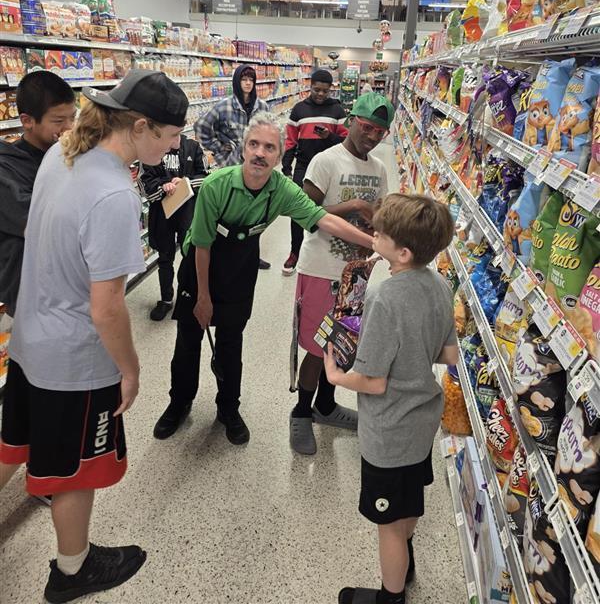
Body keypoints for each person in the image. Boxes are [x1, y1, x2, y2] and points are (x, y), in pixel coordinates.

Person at [0, 69, 188, 603]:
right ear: (142, 126)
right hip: (75, 361)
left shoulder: (63, 155)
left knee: (18, 442)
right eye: (171, 135)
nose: (176, 145)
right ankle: (72, 569)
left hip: (32, 342)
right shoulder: (113, 196)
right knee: (75, 470)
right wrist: (130, 369)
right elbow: (106, 308)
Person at [153, 111, 375, 446]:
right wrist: (202, 296)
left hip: (240, 270)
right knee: (188, 341)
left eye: (269, 147)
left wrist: (374, 243)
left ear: (278, 156)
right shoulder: (217, 186)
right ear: (243, 150)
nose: (260, 152)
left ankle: (228, 408)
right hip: (201, 266)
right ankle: (178, 403)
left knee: (231, 342)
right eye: (254, 144)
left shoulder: (281, 190)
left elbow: (320, 218)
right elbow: (200, 244)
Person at [324, 193, 457, 604]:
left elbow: (373, 381)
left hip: (389, 429)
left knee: (387, 522)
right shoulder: (439, 284)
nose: (373, 234)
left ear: (401, 251)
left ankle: (391, 595)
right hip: (420, 423)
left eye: (380, 233)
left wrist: (335, 375)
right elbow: (448, 354)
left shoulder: (386, 298)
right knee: (410, 498)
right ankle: (406, 558)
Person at [289, 92, 393, 456]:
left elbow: (379, 215)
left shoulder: (379, 169)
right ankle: (301, 411)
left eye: (380, 131)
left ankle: (326, 405)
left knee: (341, 344)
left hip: (357, 274)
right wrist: (352, 205)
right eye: (366, 127)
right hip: (321, 269)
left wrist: (375, 239)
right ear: (351, 121)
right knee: (318, 347)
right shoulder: (325, 161)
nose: (372, 136)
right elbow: (304, 213)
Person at [0, 71, 76, 318]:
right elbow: (35, 222)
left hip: (71, 286)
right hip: (31, 293)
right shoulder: (8, 167)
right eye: (58, 121)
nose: (68, 128)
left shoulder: (72, 155)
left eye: (72, 118)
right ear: (27, 120)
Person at [195, 62, 271, 269]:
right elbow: (201, 127)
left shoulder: (262, 107)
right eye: (243, 79)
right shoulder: (225, 105)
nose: (247, 83)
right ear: (236, 82)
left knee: (255, 213)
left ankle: (251, 257)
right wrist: (219, 148)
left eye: (251, 80)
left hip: (256, 167)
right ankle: (225, 254)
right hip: (231, 166)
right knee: (229, 211)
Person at [280, 68, 347, 276]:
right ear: (310, 86)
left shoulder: (337, 111)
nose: (320, 94)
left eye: (325, 91)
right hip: (304, 164)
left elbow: (345, 141)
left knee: (327, 207)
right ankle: (294, 252)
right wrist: (286, 166)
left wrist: (329, 136)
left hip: (330, 167)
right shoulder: (299, 110)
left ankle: (323, 250)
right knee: (297, 209)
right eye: (317, 90)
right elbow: (291, 140)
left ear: (330, 90)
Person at [141, 133, 208, 321]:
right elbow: (146, 186)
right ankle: (166, 299)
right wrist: (164, 187)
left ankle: (187, 295)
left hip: (187, 212)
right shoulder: (151, 149)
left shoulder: (193, 147)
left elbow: (205, 177)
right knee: (165, 258)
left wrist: (185, 183)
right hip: (162, 216)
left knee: (190, 256)